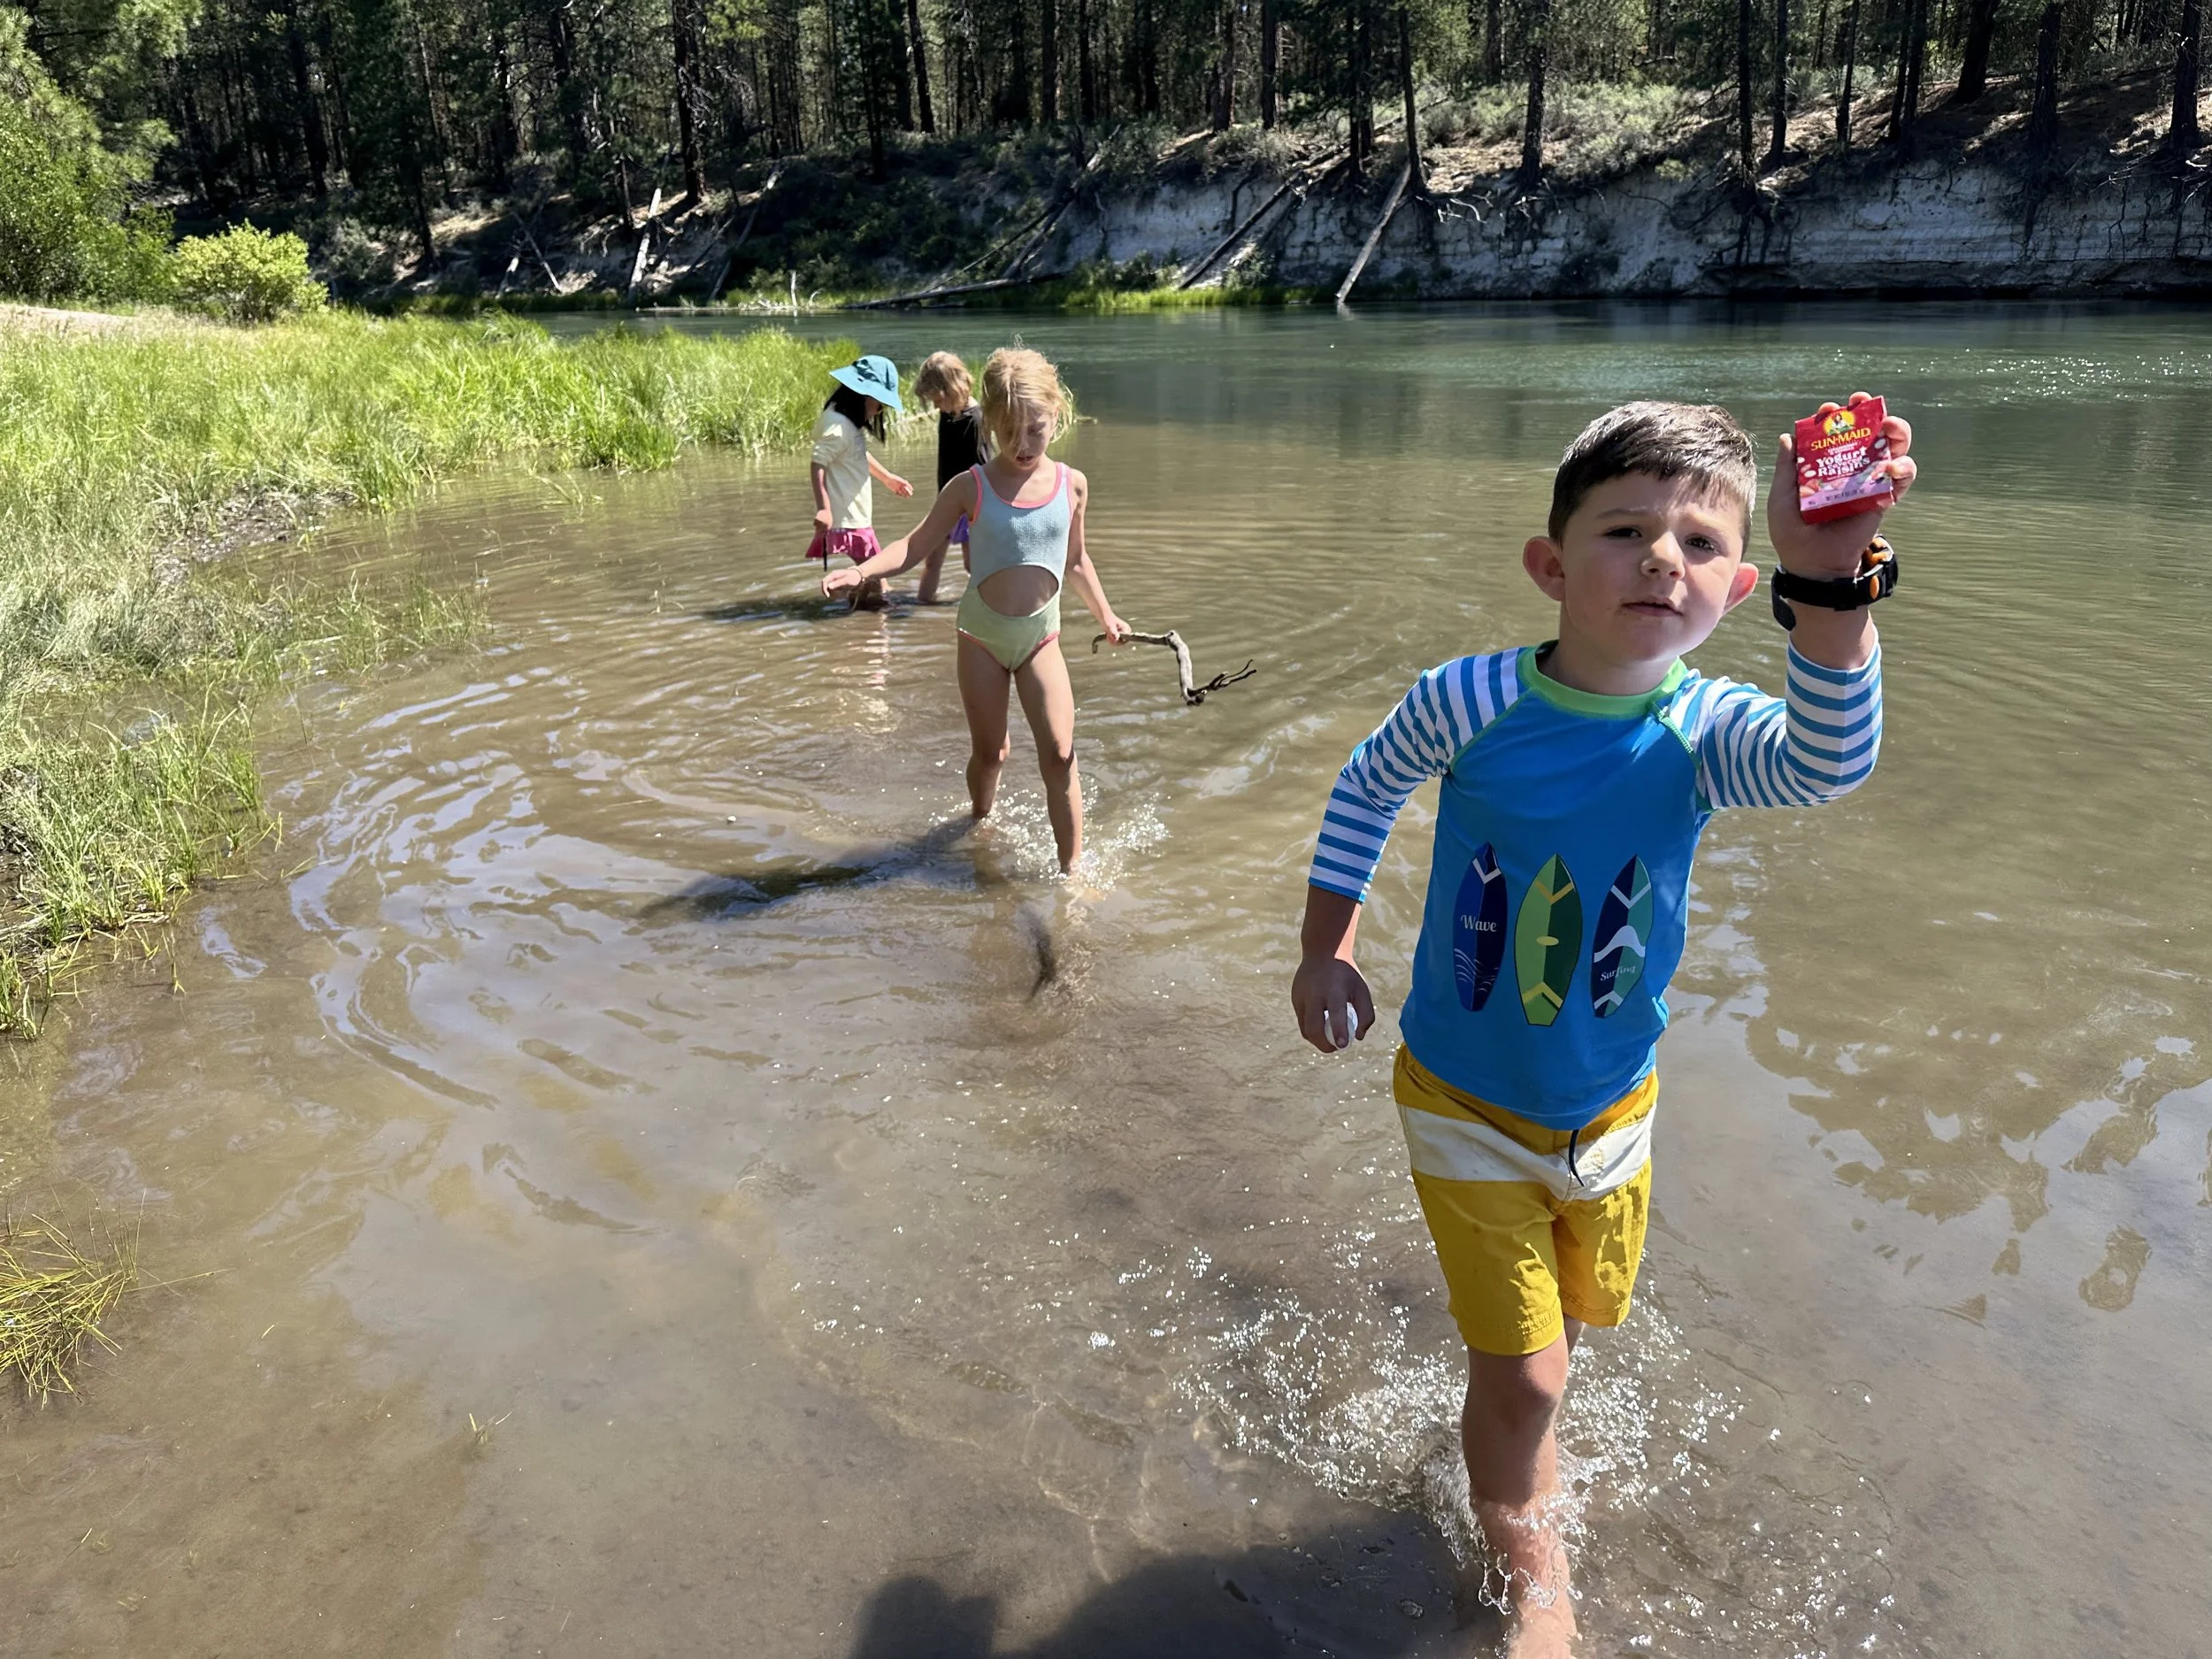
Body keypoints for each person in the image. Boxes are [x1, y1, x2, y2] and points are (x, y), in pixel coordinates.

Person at [1288, 396, 1916, 1657]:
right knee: (1525, 1375)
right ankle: (1533, 1565)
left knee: (1554, 1349)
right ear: (1550, 564)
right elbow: (1368, 781)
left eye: (1697, 542)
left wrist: (1834, 577)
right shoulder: (1468, 698)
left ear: (1739, 585)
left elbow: (1829, 760)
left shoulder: (1706, 735)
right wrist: (1326, 946)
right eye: (1625, 529)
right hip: (1462, 1098)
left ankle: (1511, 1438)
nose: (1660, 559)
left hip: (1613, 1111)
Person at [823, 347, 1133, 873]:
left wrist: (1106, 616)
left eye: (1035, 429)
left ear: (1056, 415)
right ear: (988, 420)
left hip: (1042, 639)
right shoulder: (971, 486)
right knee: (993, 755)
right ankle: (979, 821)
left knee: (1059, 755)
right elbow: (917, 545)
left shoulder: (1072, 485)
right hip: (982, 640)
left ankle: (1073, 872)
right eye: (1009, 431)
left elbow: (1076, 560)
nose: (1023, 444)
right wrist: (863, 571)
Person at [806, 354, 912, 610]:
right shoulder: (839, 426)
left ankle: (856, 601)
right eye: (879, 405)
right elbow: (817, 463)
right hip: (848, 519)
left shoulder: (843, 423)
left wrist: (886, 477)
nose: (879, 411)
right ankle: (844, 598)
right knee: (877, 577)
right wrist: (824, 508)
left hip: (855, 517)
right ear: (863, 397)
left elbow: (855, 454)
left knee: (876, 578)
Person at [910, 350, 987, 604]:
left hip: (970, 505)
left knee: (972, 564)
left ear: (953, 390)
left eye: (937, 399)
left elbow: (985, 466)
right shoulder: (948, 412)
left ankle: (987, 605)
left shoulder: (974, 420)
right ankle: (923, 607)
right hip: (946, 501)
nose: (934, 406)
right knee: (932, 560)